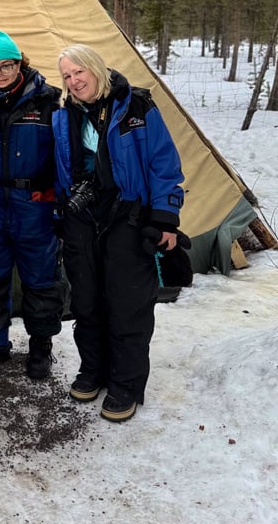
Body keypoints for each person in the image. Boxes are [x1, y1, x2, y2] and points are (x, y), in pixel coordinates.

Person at [54, 44, 185, 423]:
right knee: (87, 300)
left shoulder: (137, 107)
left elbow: (164, 163)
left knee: (128, 304)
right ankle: (93, 370)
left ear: (96, 69)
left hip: (128, 215)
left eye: (79, 71)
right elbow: (60, 166)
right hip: (83, 217)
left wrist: (164, 220)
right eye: (66, 76)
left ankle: (126, 384)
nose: (74, 81)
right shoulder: (64, 116)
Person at [0, 30, 66, 379]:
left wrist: (56, 193)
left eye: (8, 64)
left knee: (39, 278)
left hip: (34, 201)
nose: (0, 73)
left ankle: (40, 346)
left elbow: (65, 154)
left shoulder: (48, 100)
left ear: (20, 62)